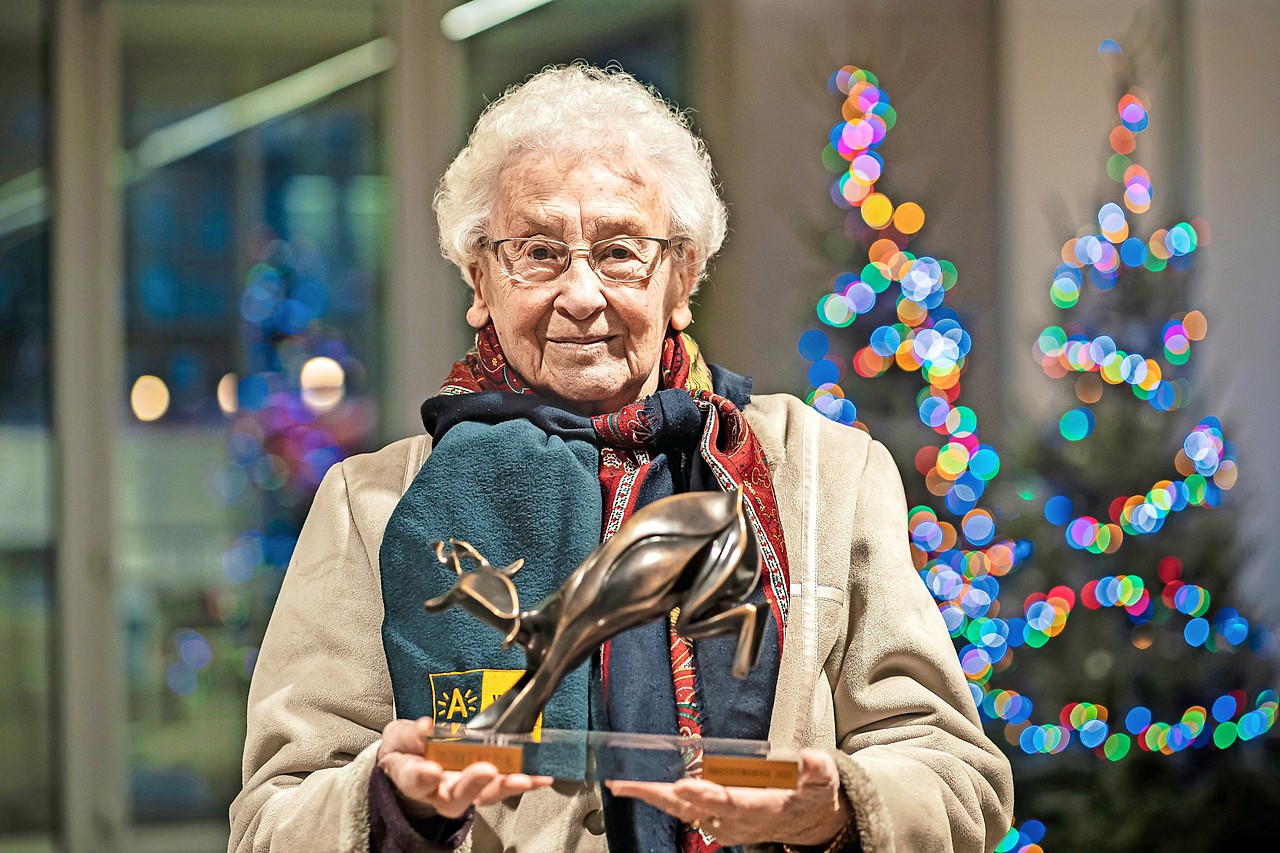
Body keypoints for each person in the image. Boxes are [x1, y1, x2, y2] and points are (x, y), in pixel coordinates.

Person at [229, 65, 1014, 853]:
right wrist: (394, 804)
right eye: (538, 251)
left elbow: (959, 780)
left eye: (619, 252)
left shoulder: (826, 477)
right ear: (479, 280)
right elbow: (269, 824)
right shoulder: (371, 507)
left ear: (683, 278)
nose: (580, 294)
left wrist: (840, 807)